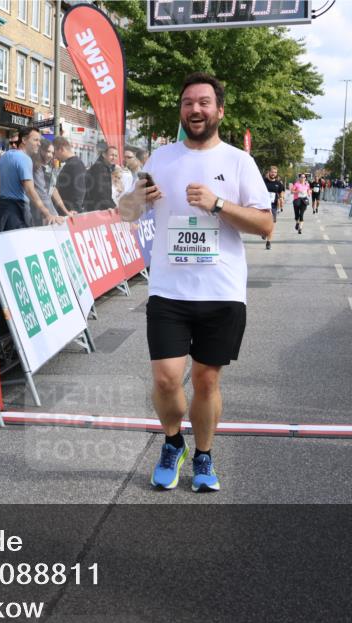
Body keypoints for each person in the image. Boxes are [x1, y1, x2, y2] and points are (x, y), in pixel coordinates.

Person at [118, 72, 272, 492]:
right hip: (169, 290)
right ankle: (173, 443)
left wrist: (219, 203)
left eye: (204, 102)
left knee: (206, 380)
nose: (195, 109)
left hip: (221, 292)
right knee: (167, 378)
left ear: (219, 110)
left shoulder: (240, 162)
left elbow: (266, 225)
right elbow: (126, 214)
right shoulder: (160, 159)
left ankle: (204, 456)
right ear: (181, 110)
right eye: (188, 102)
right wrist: (135, 200)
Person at [0, 127, 56, 232]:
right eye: (35, 140)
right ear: (24, 140)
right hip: (17, 212)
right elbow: (29, 189)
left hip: (3, 209)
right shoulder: (25, 159)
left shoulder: (6, 155)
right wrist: (47, 213)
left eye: (39, 140)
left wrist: (1, 192)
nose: (39, 144)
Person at [52, 136, 86, 213]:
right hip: (66, 210)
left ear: (61, 149)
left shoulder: (75, 164)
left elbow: (79, 189)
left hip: (71, 212)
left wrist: (75, 209)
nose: (55, 156)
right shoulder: (72, 163)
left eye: (54, 153)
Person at [84, 143, 118, 212]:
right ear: (104, 155)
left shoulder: (105, 167)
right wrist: (112, 206)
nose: (114, 158)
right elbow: (100, 192)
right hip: (95, 209)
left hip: (99, 207)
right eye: (112, 155)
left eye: (116, 156)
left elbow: (106, 194)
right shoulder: (99, 168)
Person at [262, 165, 284, 250]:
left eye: (275, 172)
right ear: (269, 172)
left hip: (273, 206)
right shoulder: (263, 181)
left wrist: (281, 198)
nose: (273, 174)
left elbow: (281, 191)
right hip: (263, 206)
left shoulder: (278, 183)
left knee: (272, 225)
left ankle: (268, 242)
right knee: (263, 223)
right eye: (272, 172)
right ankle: (263, 232)